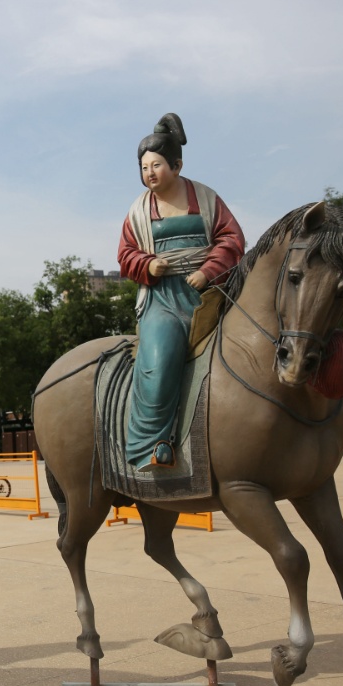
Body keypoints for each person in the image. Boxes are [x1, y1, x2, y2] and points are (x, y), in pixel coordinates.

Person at [118, 113, 245, 470]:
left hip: (211, 294)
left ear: (177, 165)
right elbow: (125, 254)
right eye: (144, 167)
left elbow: (232, 239)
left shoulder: (206, 199)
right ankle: (150, 444)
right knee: (159, 361)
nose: (150, 173)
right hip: (163, 300)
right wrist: (148, 265)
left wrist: (209, 270)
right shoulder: (138, 211)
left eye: (156, 165)